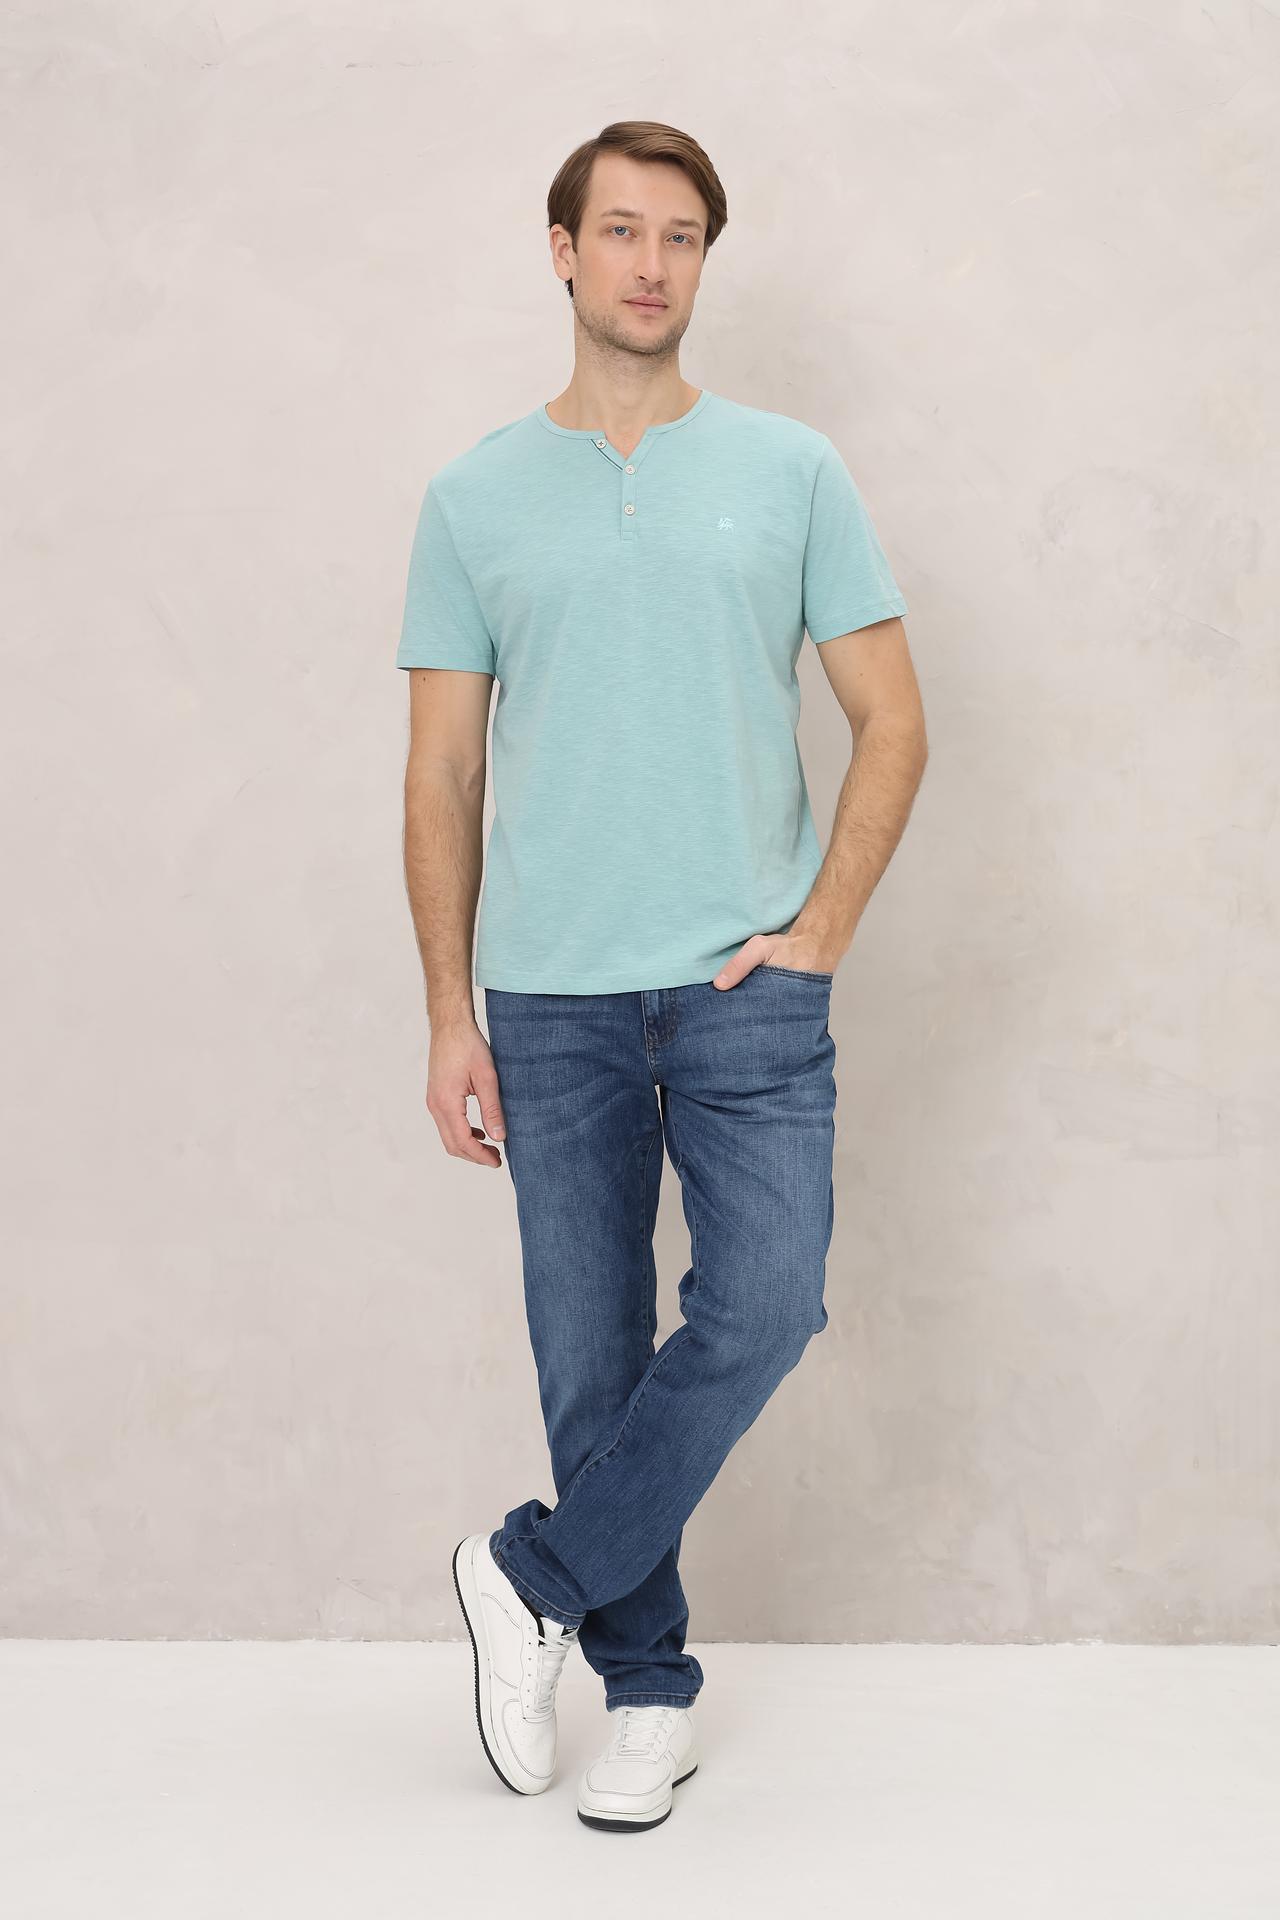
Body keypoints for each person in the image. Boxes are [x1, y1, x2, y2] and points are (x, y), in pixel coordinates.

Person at [397, 120, 928, 1834]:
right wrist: (448, 1014)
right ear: (562, 250)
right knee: (590, 1357)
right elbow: (442, 775)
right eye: (619, 230)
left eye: (681, 235)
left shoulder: (790, 471)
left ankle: (529, 1576)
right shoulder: (475, 496)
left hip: (744, 988)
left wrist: (822, 925)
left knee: (767, 1304)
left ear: (706, 260)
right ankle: (645, 1692)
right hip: (548, 1001)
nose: (650, 262)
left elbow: (894, 722)